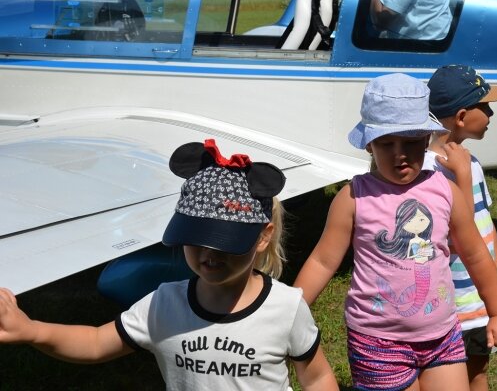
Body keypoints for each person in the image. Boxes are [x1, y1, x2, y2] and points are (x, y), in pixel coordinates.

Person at [0, 139, 338, 391]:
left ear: (262, 237)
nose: (209, 252)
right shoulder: (163, 304)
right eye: (196, 237)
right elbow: (96, 342)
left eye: (223, 240)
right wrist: (33, 331)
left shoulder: (285, 307)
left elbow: (318, 375)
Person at [294, 73, 497, 391]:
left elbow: (476, 254)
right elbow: (323, 262)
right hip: (377, 341)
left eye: (411, 142)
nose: (400, 153)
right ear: (370, 145)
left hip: (442, 334)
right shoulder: (354, 197)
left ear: (427, 139)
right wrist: (290, 314)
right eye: (387, 144)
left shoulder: (445, 190)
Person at [424, 65, 497, 391]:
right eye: (485, 107)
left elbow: (486, 229)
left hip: (478, 304)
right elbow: (455, 234)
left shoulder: (471, 163)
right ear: (461, 117)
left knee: (478, 374)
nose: (490, 114)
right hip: (447, 306)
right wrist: (461, 176)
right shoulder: (427, 171)